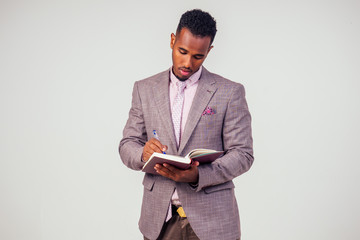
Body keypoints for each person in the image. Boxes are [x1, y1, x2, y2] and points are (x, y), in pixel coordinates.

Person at [119, 9, 253, 240]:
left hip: (213, 222)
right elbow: (127, 144)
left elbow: (243, 154)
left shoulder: (230, 92)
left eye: (198, 56)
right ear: (172, 40)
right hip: (159, 221)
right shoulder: (144, 89)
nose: (187, 63)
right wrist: (143, 153)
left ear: (209, 51)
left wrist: (198, 175)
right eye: (182, 51)